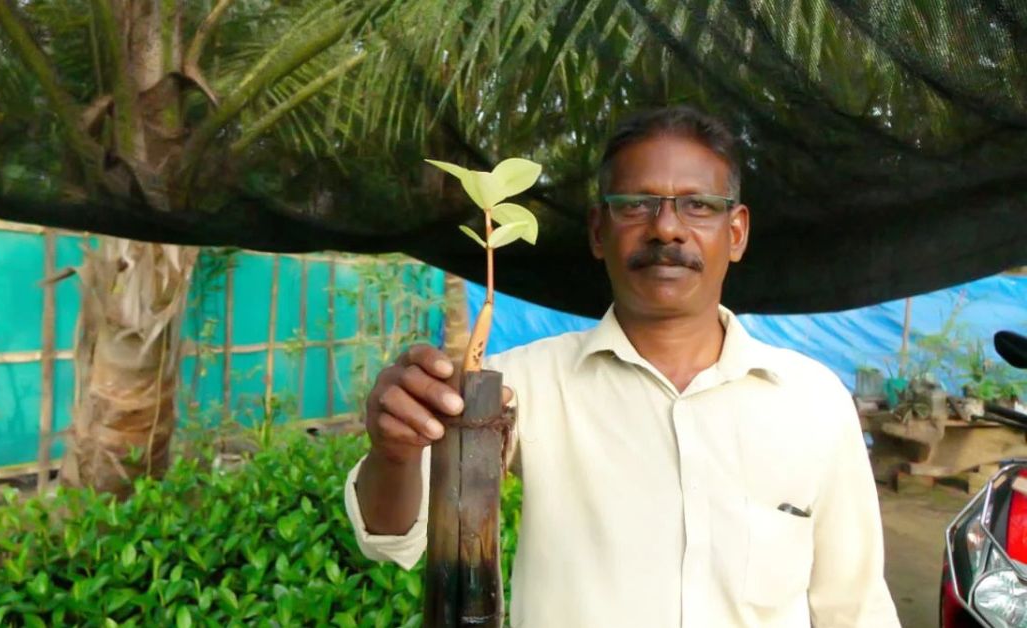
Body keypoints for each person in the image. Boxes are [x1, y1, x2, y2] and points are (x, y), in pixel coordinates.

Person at [344, 106, 900, 627]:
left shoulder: (812, 401)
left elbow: (855, 606)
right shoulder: (518, 388)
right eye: (636, 203)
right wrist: (395, 453)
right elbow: (394, 536)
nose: (666, 228)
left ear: (736, 233)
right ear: (597, 230)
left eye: (698, 205)